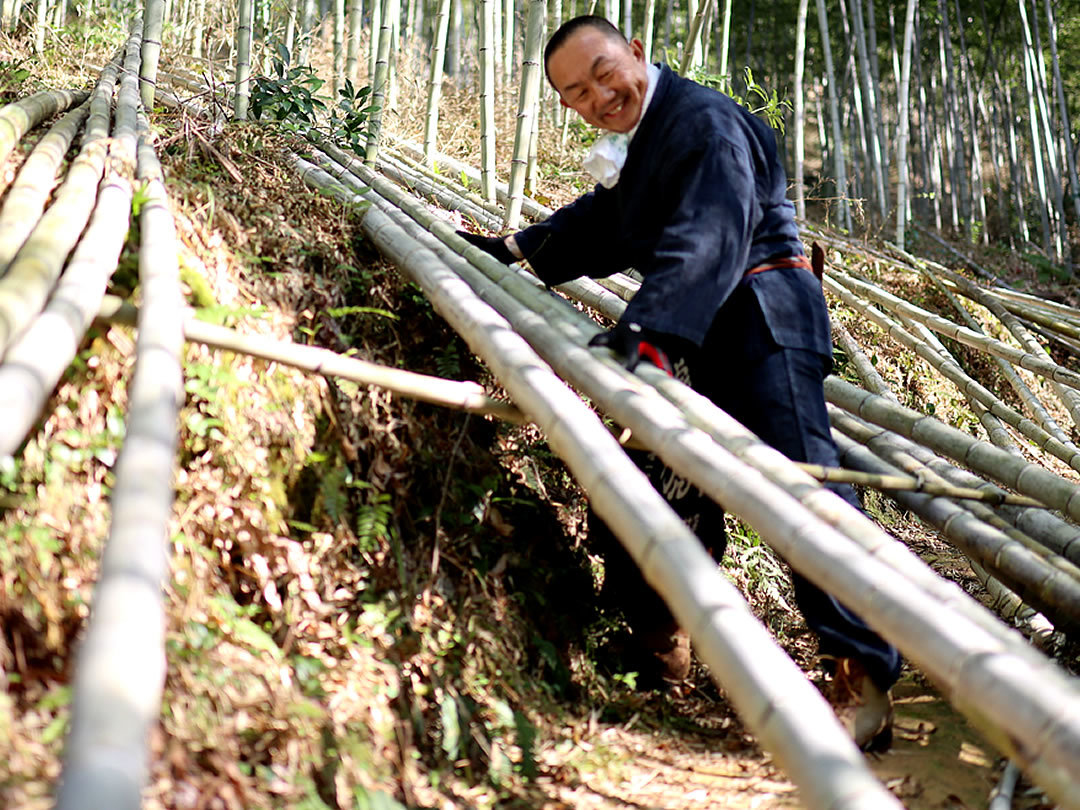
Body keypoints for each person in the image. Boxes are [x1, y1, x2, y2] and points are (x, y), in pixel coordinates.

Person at [457, 15, 900, 751]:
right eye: (577, 92)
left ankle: (864, 676)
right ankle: (661, 649)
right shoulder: (649, 140)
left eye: (604, 72)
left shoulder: (704, 124)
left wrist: (649, 333)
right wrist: (517, 249)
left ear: (636, 51)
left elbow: (713, 233)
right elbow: (610, 221)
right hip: (697, 324)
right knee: (652, 475)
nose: (599, 95)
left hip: (761, 318)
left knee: (802, 488)